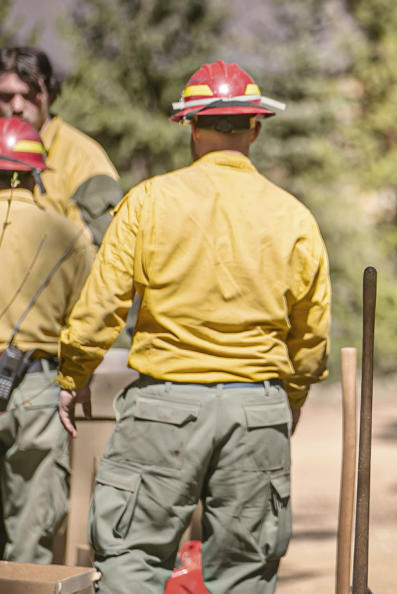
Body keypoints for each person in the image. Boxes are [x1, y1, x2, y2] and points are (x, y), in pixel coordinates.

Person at [56, 60, 331, 593]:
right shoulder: (293, 216)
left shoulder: (149, 203)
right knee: (246, 573)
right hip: (257, 410)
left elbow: (101, 307)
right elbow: (311, 332)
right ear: (256, 127)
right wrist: (289, 398)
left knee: (132, 560)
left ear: (190, 126)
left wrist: (74, 375)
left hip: (164, 411)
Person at [0, 116, 94, 562]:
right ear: (37, 174)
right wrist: (77, 379)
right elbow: (89, 321)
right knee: (29, 538)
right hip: (36, 392)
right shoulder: (71, 236)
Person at [0, 46, 122, 244]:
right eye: (6, 96)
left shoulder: (84, 158)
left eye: (29, 95)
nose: (17, 107)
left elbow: (94, 248)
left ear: (50, 94)